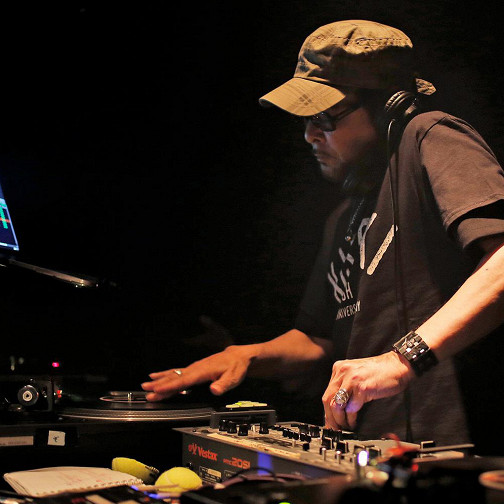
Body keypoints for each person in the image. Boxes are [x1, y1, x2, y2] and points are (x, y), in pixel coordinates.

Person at [141, 20, 504, 453]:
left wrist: (402, 358)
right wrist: (246, 355)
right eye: (306, 120)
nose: (310, 134)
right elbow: (318, 340)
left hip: (455, 450)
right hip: (372, 446)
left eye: (324, 117)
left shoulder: (430, 135)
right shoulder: (343, 216)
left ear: (387, 107)